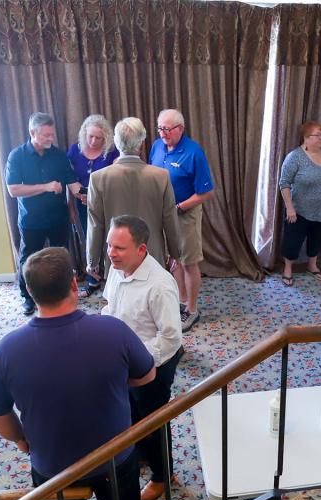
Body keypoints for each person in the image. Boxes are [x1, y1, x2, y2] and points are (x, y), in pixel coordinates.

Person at [0, 247, 154, 500]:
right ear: (74, 284)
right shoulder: (113, 330)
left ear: (30, 292)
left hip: (53, 466)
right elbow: (147, 373)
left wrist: (21, 441)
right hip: (115, 458)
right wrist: (113, 382)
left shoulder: (6, 349)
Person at [102, 216, 183, 500]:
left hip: (154, 365)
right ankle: (141, 457)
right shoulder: (117, 268)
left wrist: (136, 362)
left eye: (120, 248)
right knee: (128, 415)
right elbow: (110, 305)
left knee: (153, 424)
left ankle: (163, 476)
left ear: (141, 249)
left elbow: (171, 338)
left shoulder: (160, 285)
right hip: (124, 361)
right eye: (110, 245)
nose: (112, 252)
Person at [6, 112, 83, 316]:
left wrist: (85, 195)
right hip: (31, 220)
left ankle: (63, 294)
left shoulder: (58, 156)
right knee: (28, 260)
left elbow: (73, 183)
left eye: (52, 134)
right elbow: (13, 190)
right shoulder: (17, 156)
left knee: (61, 258)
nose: (50, 139)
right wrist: (46, 186)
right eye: (46, 135)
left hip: (58, 218)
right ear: (32, 132)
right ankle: (28, 298)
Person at [87, 117, 180, 281]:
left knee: (119, 303)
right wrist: (175, 253)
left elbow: (95, 225)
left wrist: (92, 261)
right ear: (142, 143)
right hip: (152, 256)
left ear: (116, 143)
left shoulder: (98, 178)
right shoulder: (161, 176)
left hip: (117, 259)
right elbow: (170, 220)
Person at [149, 109, 213, 332]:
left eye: (167, 129)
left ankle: (192, 309)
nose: (163, 134)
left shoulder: (194, 152)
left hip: (185, 213)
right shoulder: (156, 147)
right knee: (173, 259)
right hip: (163, 213)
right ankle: (181, 302)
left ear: (180, 129)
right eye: (160, 128)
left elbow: (206, 192)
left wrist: (179, 207)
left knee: (188, 261)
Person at [278, 121, 321, 286]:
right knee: (293, 240)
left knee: (317, 239)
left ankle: (312, 265)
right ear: (306, 138)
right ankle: (288, 269)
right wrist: (290, 207)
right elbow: (284, 183)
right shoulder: (294, 157)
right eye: (317, 135)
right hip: (299, 210)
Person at [67, 114, 118, 292]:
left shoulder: (112, 151)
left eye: (99, 138)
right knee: (89, 240)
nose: (94, 141)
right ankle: (92, 278)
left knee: (110, 240)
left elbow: (117, 177)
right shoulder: (75, 150)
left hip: (107, 203)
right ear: (84, 134)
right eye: (91, 136)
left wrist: (95, 196)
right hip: (82, 204)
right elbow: (68, 176)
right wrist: (76, 197)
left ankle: (112, 278)